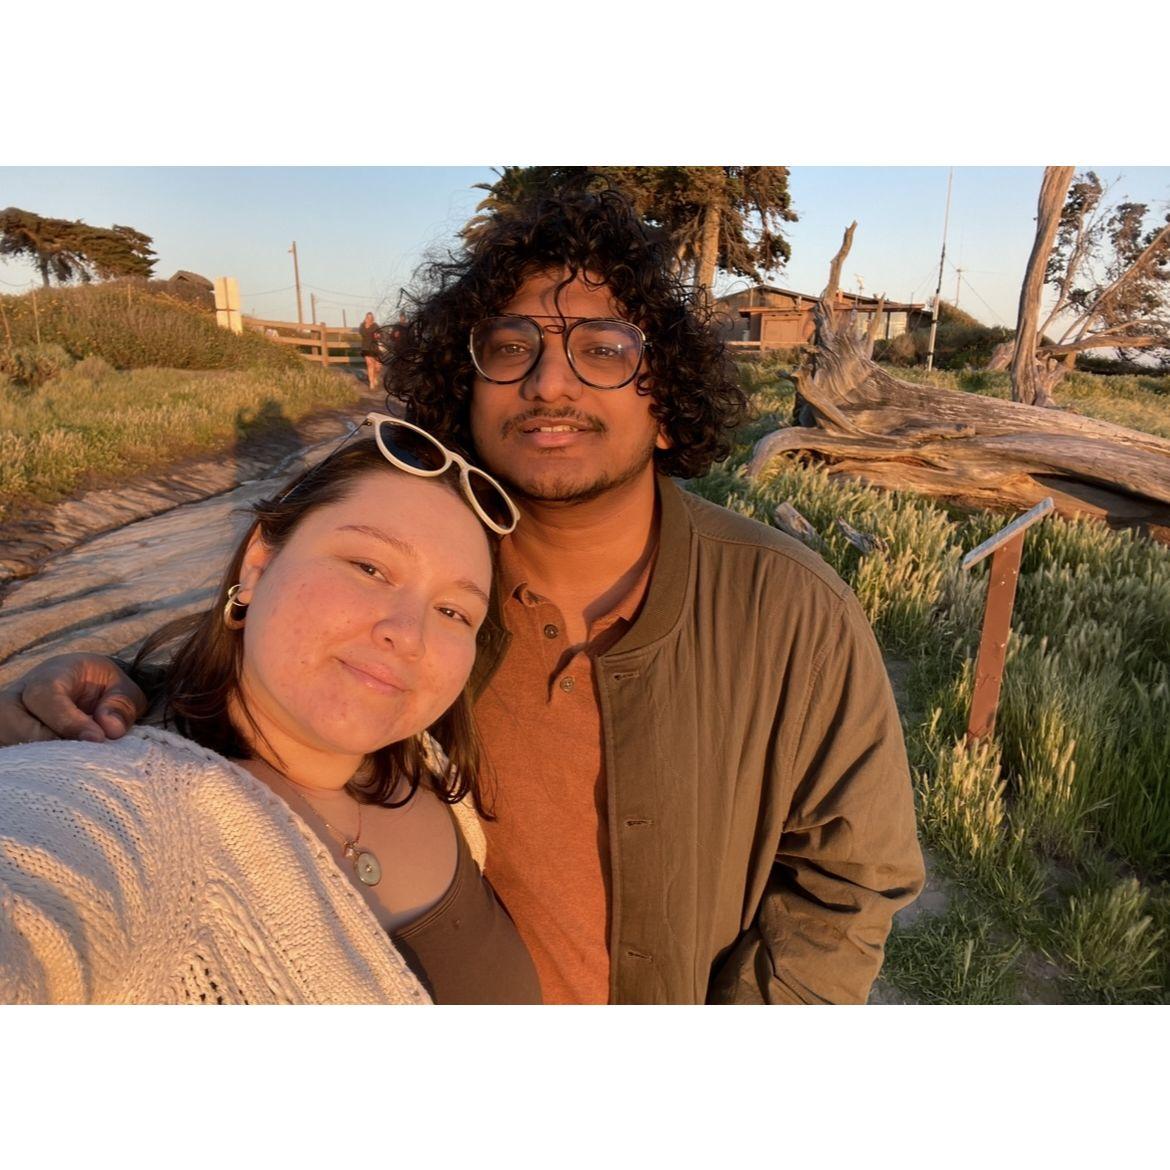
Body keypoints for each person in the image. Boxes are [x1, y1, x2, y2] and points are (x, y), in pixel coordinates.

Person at [0, 189, 924, 1004]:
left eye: (604, 349)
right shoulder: (431, 589)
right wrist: (99, 693)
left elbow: (851, 881)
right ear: (465, 388)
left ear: (668, 403)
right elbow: (246, 697)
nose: (550, 381)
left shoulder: (792, 611)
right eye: (510, 346)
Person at [0, 419, 540, 1004]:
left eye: (454, 612)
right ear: (258, 565)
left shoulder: (429, 768)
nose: (408, 635)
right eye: (369, 568)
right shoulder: (118, 808)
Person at [358, 311, 383, 390]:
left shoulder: (375, 325)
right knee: (370, 364)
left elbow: (380, 334)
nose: (369, 319)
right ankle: (371, 382)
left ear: (372, 318)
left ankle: (375, 377)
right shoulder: (362, 325)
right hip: (366, 347)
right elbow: (362, 333)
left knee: (377, 367)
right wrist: (366, 325)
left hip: (374, 348)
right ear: (366, 317)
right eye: (367, 317)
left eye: (370, 317)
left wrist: (378, 335)